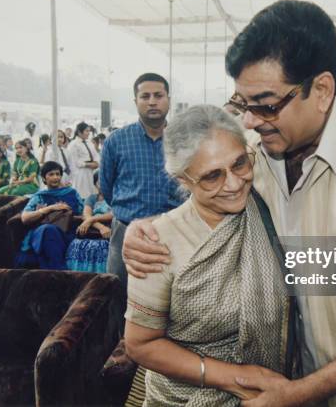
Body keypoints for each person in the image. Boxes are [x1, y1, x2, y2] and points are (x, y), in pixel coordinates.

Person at [123, 0, 336, 406]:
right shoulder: (263, 145)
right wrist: (144, 229)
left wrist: (297, 393)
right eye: (243, 103)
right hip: (306, 375)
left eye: (266, 104)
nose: (249, 120)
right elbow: (209, 177)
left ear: (321, 90)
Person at [124, 104, 292, 406]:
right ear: (183, 179)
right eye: (212, 176)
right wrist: (234, 378)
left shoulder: (266, 209)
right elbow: (141, 344)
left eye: (240, 163)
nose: (234, 183)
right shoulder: (155, 244)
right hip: (185, 397)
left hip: (271, 392)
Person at [99, 72, 184, 286]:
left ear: (168, 100)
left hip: (175, 232)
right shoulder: (116, 141)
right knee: (119, 295)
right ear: (135, 101)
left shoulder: (185, 140)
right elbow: (107, 188)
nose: (152, 101)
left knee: (175, 297)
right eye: (145, 96)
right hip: (126, 232)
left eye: (158, 95)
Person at [16, 161, 83, 269]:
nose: (55, 177)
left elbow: (83, 214)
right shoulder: (40, 196)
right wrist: (50, 208)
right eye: (51, 174)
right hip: (43, 232)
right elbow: (25, 218)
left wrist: (67, 213)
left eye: (58, 174)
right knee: (48, 230)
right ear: (43, 178)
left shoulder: (72, 193)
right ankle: (58, 271)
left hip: (67, 231)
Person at [65, 171, 113, 273]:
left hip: (109, 234)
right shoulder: (92, 198)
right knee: (77, 244)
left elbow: (115, 214)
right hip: (92, 231)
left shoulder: (117, 197)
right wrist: (100, 227)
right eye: (100, 182)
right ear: (95, 184)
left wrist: (92, 219)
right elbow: (86, 215)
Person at [68, 121, 100, 199]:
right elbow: (75, 161)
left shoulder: (89, 143)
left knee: (90, 193)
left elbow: (96, 156)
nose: (88, 133)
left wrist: (96, 163)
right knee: (81, 193)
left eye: (89, 131)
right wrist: (88, 164)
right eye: (86, 131)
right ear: (79, 132)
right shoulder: (73, 144)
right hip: (80, 173)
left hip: (90, 172)